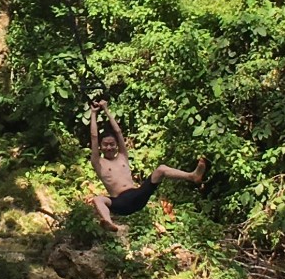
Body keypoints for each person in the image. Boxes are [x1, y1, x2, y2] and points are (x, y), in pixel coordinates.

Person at [88, 97, 206, 234]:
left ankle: (192, 176)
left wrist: (107, 110)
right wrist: (93, 113)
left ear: (116, 146)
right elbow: (94, 137)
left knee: (161, 169)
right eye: (105, 145)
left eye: (112, 144)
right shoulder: (99, 163)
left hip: (137, 196)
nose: (109, 147)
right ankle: (109, 222)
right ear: (100, 147)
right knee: (98, 199)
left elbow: (118, 132)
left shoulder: (122, 156)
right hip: (120, 203)